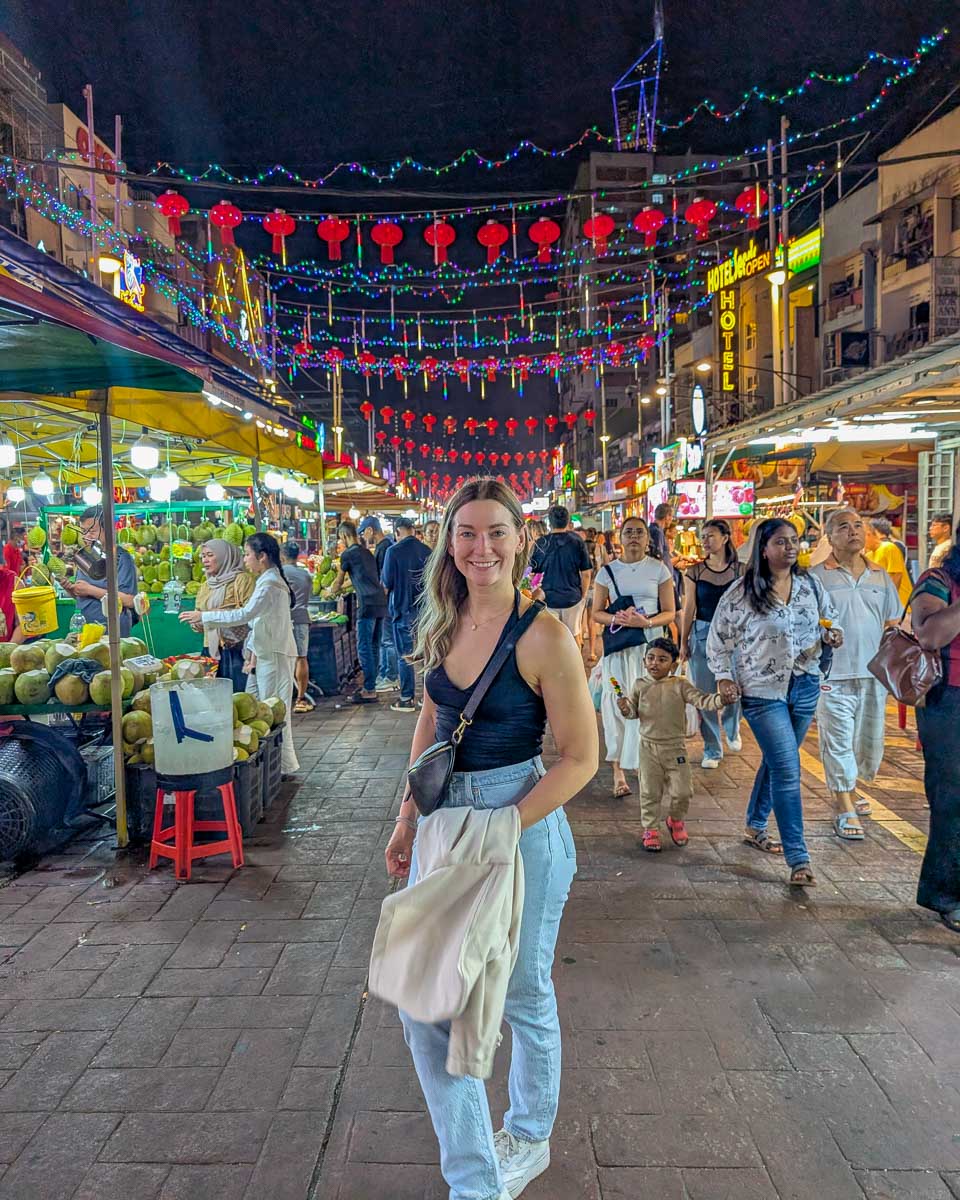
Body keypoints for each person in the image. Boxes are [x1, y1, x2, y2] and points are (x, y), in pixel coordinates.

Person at [384, 478, 597, 1200]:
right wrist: (407, 816)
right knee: (425, 1003)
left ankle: (528, 1136)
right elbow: (431, 719)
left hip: (520, 826)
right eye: (468, 533)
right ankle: (476, 1181)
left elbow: (581, 758)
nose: (483, 548)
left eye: (497, 532)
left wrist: (507, 824)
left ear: (520, 539)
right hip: (446, 826)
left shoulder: (544, 635)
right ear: (450, 543)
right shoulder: (442, 621)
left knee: (522, 993)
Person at [707, 518, 843, 888]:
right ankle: (799, 858)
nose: (790, 547)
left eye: (794, 541)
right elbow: (719, 639)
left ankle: (755, 824)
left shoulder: (809, 585)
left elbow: (830, 619)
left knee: (777, 759)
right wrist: (723, 676)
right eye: (781, 542)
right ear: (764, 549)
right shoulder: (742, 592)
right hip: (762, 691)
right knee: (787, 768)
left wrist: (832, 634)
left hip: (805, 684)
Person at [810, 509, 901, 840]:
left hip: (873, 673)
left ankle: (850, 789)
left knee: (865, 743)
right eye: (843, 527)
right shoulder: (816, 577)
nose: (853, 531)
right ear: (829, 537)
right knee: (837, 740)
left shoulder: (880, 576)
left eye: (857, 525)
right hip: (831, 674)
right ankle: (843, 806)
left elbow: (892, 622)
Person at [181, 532, 299, 775]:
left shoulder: (269, 584)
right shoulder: (267, 580)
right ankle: (267, 766)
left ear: (262, 556)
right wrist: (252, 655)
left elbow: (244, 615)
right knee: (257, 708)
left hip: (275, 655)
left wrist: (205, 616)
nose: (245, 560)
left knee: (275, 711)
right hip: (264, 654)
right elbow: (259, 623)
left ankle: (282, 767)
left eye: (247, 555)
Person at [618, 637, 730, 852]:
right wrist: (625, 708)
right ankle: (650, 829)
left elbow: (702, 700)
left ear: (673, 664)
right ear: (644, 661)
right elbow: (633, 712)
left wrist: (720, 700)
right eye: (651, 658)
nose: (655, 663)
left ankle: (675, 820)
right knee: (649, 792)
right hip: (648, 748)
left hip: (675, 748)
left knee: (683, 791)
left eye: (662, 659)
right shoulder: (640, 685)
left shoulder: (680, 684)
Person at [592, 517, 676, 799]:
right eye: (628, 532)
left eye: (639, 532)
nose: (634, 537)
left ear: (647, 538)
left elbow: (670, 612)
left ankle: (643, 763)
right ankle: (618, 769)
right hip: (619, 648)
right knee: (618, 705)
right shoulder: (607, 572)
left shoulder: (659, 569)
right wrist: (618, 618)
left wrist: (646, 623)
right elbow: (596, 613)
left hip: (650, 649)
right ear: (620, 537)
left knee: (649, 707)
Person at [911, 523, 960, 933]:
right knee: (952, 799)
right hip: (949, 701)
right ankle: (946, 895)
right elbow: (928, 635)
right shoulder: (939, 580)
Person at [680, 519, 743, 768]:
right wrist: (683, 641)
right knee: (705, 695)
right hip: (702, 634)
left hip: (735, 636)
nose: (705, 540)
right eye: (703, 536)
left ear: (725, 538)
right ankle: (712, 749)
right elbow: (689, 608)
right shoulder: (695, 571)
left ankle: (732, 724)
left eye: (710, 535)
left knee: (736, 689)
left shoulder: (742, 571)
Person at [327, 521, 388, 704]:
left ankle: (368, 689)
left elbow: (339, 581)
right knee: (374, 646)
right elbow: (359, 578)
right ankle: (372, 686)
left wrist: (331, 590)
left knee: (364, 647)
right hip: (380, 602)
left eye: (341, 539)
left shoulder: (347, 555)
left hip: (366, 604)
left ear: (344, 536)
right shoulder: (367, 553)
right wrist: (343, 586)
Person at [380, 515, 430, 713]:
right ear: (413, 530)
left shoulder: (393, 551)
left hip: (402, 609)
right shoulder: (426, 551)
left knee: (405, 655)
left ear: (397, 532)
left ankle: (407, 698)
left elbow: (387, 582)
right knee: (427, 655)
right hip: (426, 611)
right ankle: (427, 698)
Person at [61, 506, 137, 636]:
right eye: (83, 531)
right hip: (86, 630)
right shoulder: (84, 556)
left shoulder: (121, 558)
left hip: (112, 631)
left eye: (92, 531)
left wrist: (90, 590)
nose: (86, 536)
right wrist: (71, 589)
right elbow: (84, 598)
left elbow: (130, 600)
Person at [195, 538, 255, 693]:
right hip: (210, 650)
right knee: (211, 696)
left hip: (237, 649)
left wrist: (210, 615)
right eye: (203, 556)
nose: (205, 560)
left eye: (210, 555)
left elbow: (250, 614)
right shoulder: (206, 585)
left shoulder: (242, 580)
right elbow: (199, 614)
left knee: (239, 697)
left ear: (224, 556)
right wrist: (196, 623)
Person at [528, 505, 592, 644]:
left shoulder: (542, 543)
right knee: (574, 636)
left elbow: (532, 573)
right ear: (568, 521)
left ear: (550, 522)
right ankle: (576, 659)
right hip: (573, 597)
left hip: (548, 598)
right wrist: (583, 594)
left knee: (552, 640)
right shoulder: (577, 541)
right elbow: (586, 573)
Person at [358, 516, 399, 691]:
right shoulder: (385, 546)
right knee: (383, 640)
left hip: (386, 602)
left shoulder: (384, 548)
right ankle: (385, 674)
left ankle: (391, 676)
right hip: (385, 602)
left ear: (370, 530)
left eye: (363, 532)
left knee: (387, 641)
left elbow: (383, 578)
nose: (362, 536)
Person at [281, 541, 314, 713]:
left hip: (282, 619)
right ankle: (300, 699)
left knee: (283, 658)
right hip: (301, 618)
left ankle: (283, 697)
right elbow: (310, 595)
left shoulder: (278, 573)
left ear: (282, 555)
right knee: (301, 657)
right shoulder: (305, 574)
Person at [865, 516, 911, 606]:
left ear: (868, 534)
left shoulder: (888, 548)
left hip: (900, 605)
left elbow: (896, 576)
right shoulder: (868, 556)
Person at [580, 527, 608, 662]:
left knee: (579, 621)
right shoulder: (601, 548)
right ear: (595, 536)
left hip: (581, 588)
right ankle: (591, 652)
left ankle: (578, 650)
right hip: (596, 588)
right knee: (592, 621)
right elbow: (607, 567)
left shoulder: (580, 548)